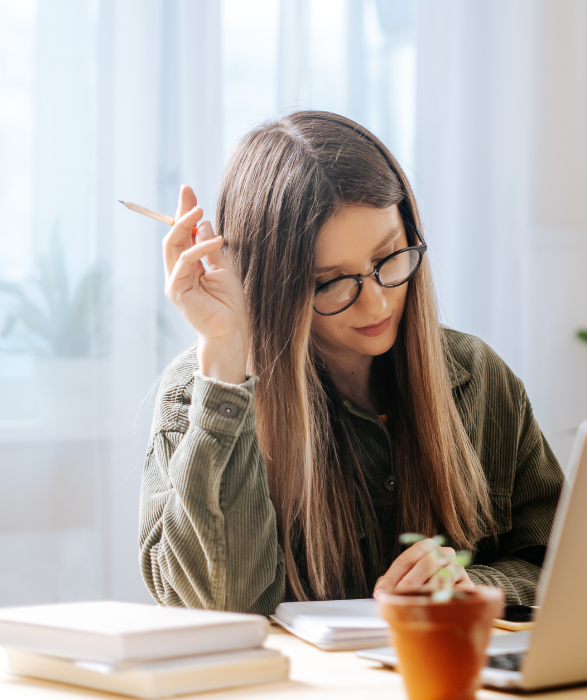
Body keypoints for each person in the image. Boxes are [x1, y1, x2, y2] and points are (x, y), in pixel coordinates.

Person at [139, 111, 563, 615]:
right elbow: (226, 606)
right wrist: (226, 350)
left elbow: (560, 564)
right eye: (331, 282)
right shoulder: (198, 392)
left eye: (389, 258)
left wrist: (469, 587)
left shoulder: (477, 377)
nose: (377, 304)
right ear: (275, 286)